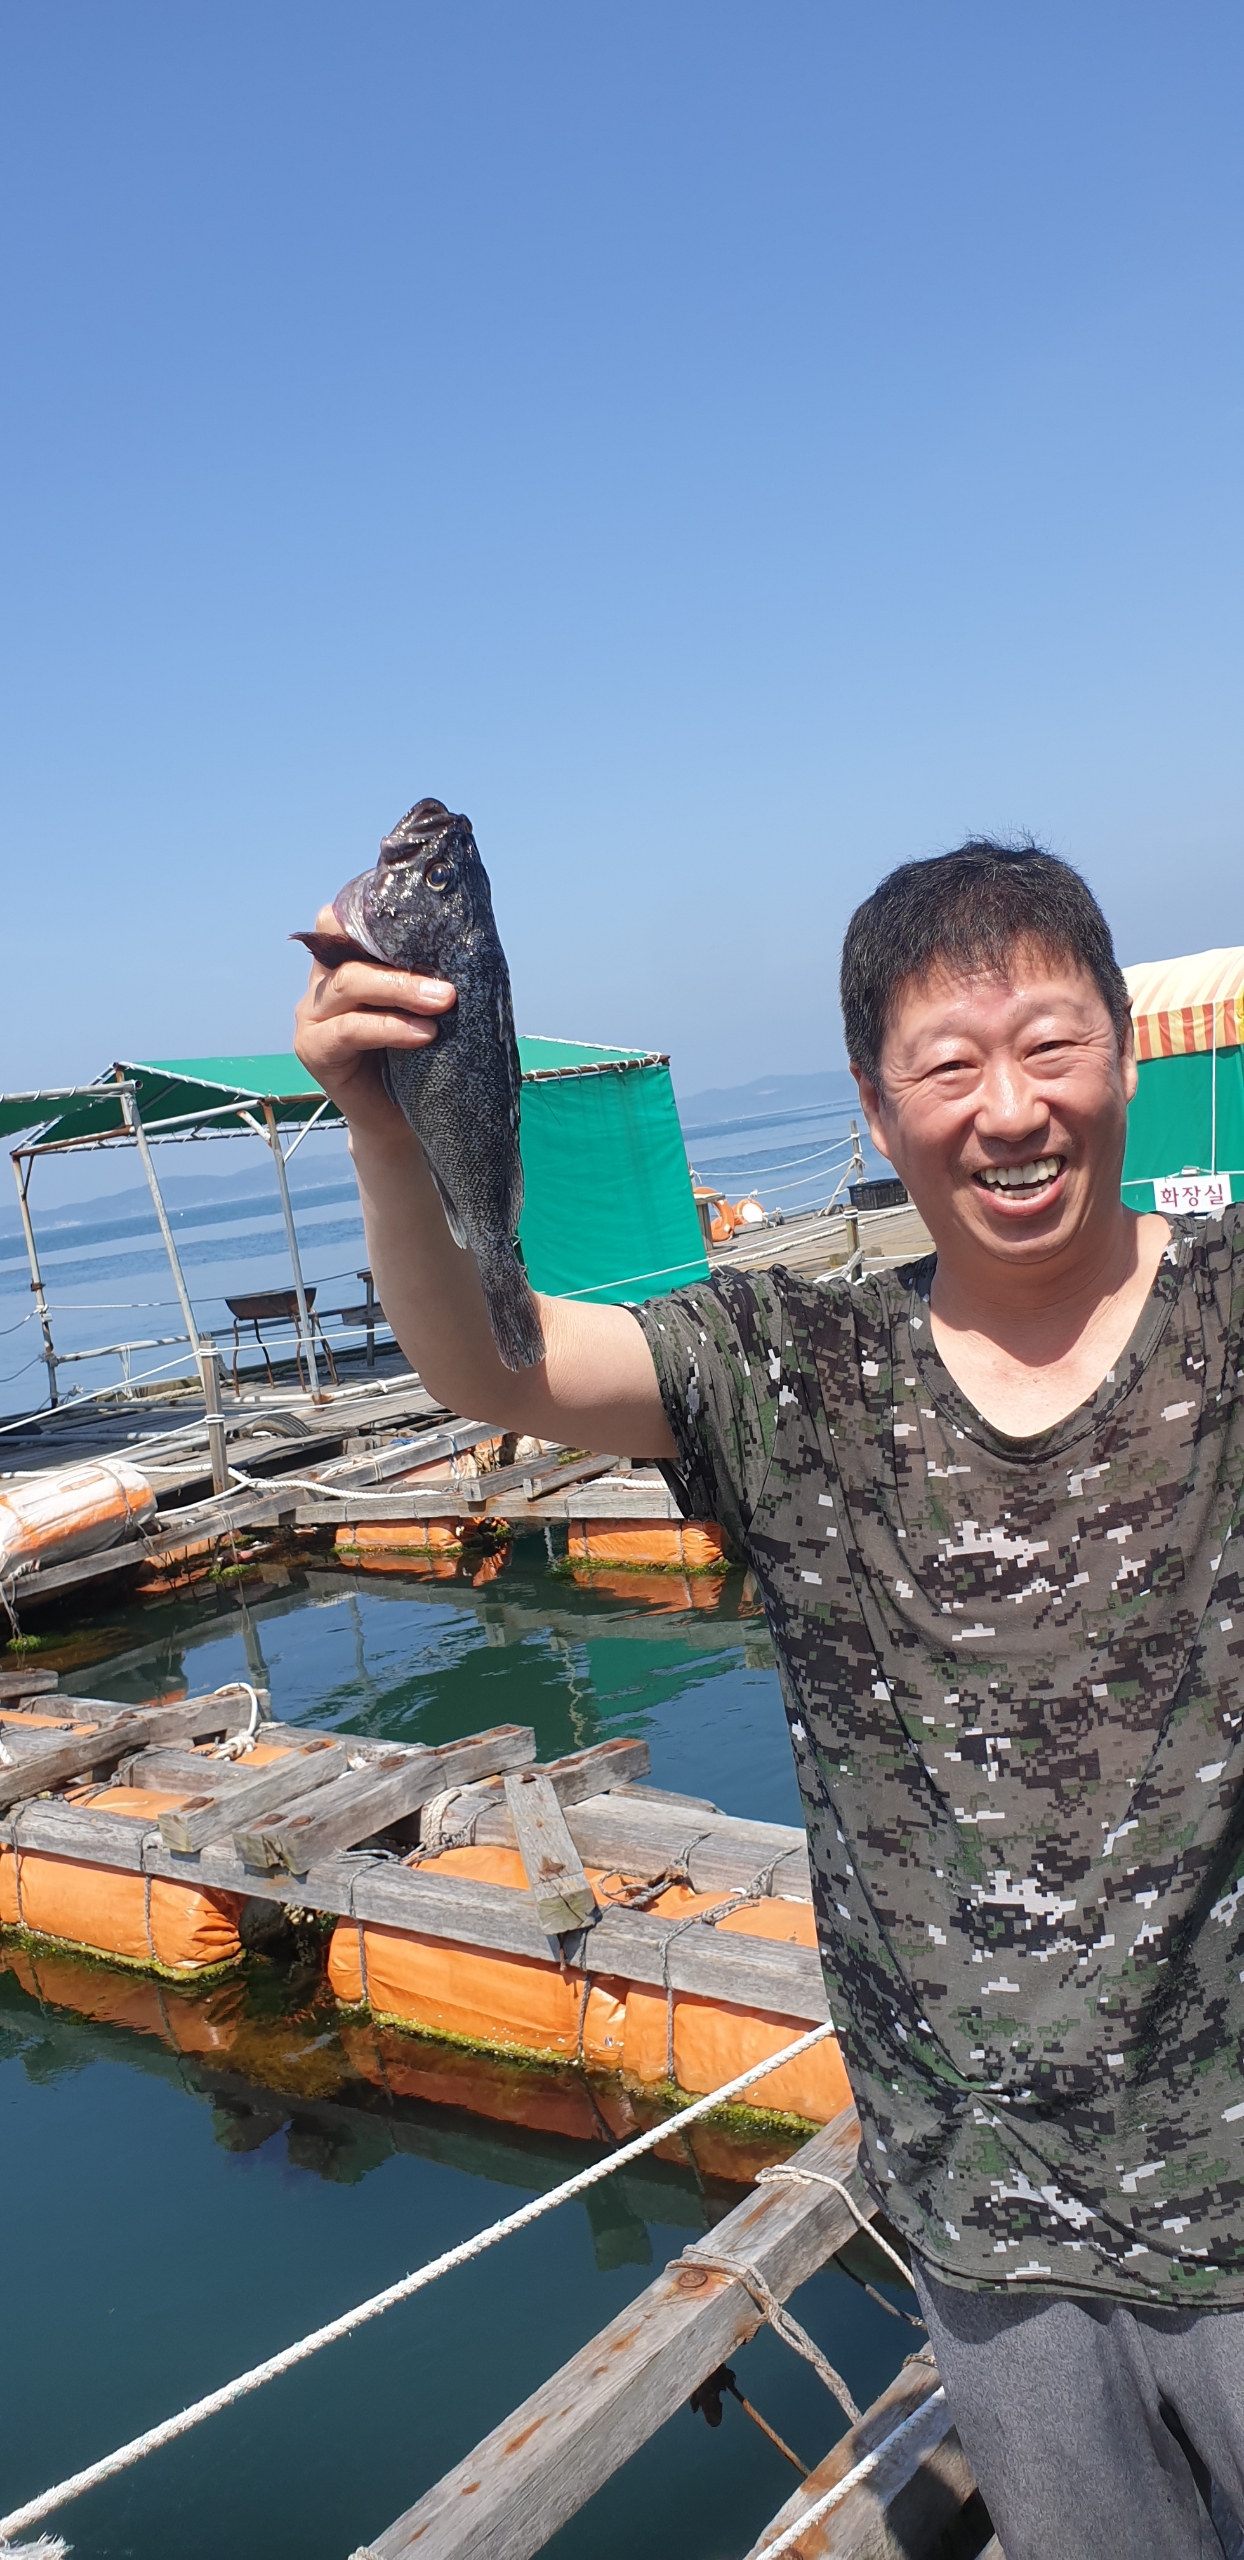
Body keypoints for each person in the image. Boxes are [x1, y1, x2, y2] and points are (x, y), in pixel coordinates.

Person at [295, 837, 1244, 2560]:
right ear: (876, 1113)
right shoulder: (798, 1375)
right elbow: (495, 1361)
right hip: (985, 2225)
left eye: (1050, 1045)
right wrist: (382, 1123)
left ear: (1126, 1051)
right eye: (948, 1066)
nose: (1010, 1109)